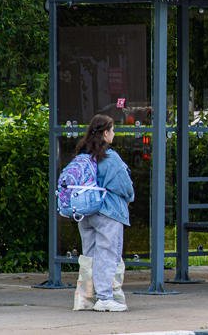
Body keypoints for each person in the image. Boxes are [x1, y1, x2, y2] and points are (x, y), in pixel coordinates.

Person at [74, 114, 134, 312]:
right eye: (113, 130)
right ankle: (105, 298)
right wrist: (130, 196)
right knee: (108, 255)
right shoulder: (110, 157)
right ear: (106, 132)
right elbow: (125, 187)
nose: (114, 134)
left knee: (90, 256)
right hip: (108, 212)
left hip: (85, 212)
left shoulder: (82, 153)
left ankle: (86, 298)